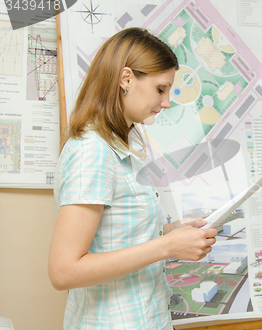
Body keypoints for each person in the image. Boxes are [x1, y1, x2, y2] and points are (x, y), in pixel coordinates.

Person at [48, 27, 218, 329]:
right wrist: (166, 247)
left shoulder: (122, 145)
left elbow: (115, 234)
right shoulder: (92, 151)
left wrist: (170, 232)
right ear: (126, 79)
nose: (166, 102)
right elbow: (64, 271)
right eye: (160, 89)